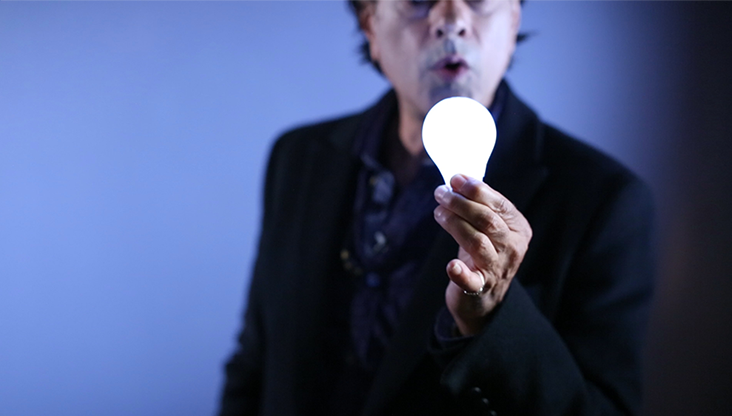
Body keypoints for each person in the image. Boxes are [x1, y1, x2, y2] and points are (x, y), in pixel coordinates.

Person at [219, 0, 655, 415]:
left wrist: (491, 319)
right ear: (371, 23)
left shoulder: (603, 201)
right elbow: (256, 361)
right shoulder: (299, 158)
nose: (451, 20)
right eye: (418, 0)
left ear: (512, 20)